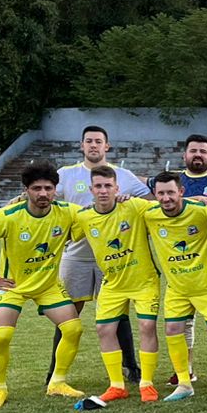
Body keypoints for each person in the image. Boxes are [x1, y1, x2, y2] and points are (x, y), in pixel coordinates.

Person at [0, 162, 83, 408]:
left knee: (73, 329)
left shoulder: (68, 212)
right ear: (26, 190)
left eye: (48, 188)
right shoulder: (9, 215)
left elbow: (98, 217)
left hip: (48, 285)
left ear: (55, 190)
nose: (43, 194)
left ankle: (57, 382)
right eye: (37, 188)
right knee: (2, 335)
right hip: (13, 285)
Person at [49, 125, 150, 387]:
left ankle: (131, 367)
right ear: (81, 145)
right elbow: (47, 200)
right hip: (76, 255)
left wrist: (126, 199)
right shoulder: (66, 174)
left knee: (119, 312)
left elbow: (151, 200)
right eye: (89, 141)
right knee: (68, 313)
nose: (93, 145)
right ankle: (54, 372)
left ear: (107, 146)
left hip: (114, 257)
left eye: (98, 141)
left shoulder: (123, 175)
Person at [68, 164, 162, 404]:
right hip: (113, 283)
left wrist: (200, 199)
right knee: (104, 330)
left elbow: (166, 205)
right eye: (98, 186)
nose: (103, 190)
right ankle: (117, 385)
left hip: (143, 281)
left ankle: (147, 383)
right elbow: (61, 228)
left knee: (146, 327)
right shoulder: (84, 217)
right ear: (91, 190)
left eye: (108, 186)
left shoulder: (133, 206)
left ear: (116, 188)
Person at [140, 172, 207, 404]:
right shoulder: (149, 214)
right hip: (177, 288)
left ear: (181, 191)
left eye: (171, 192)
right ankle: (184, 383)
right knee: (172, 330)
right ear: (155, 195)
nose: (166, 198)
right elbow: (124, 205)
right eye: (161, 193)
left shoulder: (202, 210)